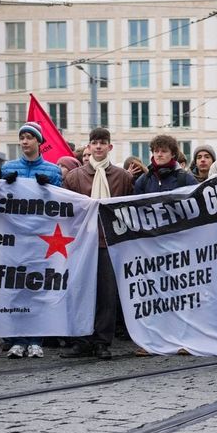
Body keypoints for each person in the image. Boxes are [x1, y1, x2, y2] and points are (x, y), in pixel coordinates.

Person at [61, 128, 134, 360]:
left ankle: (102, 341)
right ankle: (81, 341)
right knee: (81, 292)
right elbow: (66, 211)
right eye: (95, 143)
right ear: (89, 147)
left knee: (107, 294)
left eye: (103, 143)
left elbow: (129, 209)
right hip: (82, 244)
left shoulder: (122, 177)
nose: (99, 146)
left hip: (109, 244)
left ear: (110, 147)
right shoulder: (74, 177)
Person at [0, 121, 62, 360]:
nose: (25, 141)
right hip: (14, 238)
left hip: (40, 239)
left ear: (39, 141)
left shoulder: (53, 170)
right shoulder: (8, 167)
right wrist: (3, 183)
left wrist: (52, 187)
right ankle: (17, 340)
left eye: (29, 137)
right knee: (16, 290)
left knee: (36, 289)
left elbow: (63, 203)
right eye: (22, 137)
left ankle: (35, 340)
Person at [135, 135, 199, 194]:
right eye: (156, 151)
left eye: (164, 151)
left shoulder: (186, 178)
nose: (159, 154)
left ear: (173, 154)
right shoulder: (143, 180)